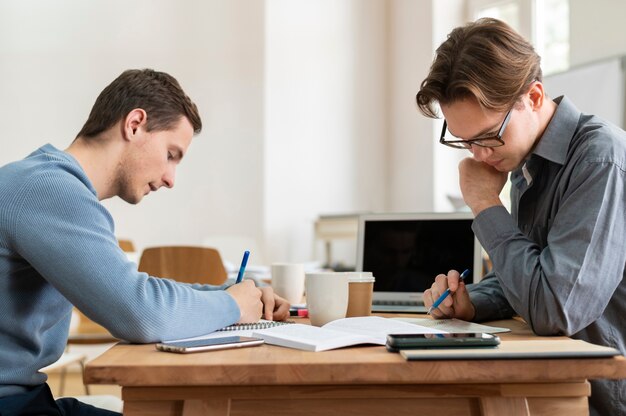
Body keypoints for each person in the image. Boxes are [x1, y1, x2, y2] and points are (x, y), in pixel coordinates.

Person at [0, 69, 290, 415]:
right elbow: (140, 314)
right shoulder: (50, 190)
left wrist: (231, 294)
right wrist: (233, 306)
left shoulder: (44, 183)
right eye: (171, 154)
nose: (170, 179)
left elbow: (136, 291)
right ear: (135, 124)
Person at [415, 18, 625, 416]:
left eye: (488, 136)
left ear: (533, 96)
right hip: (559, 381)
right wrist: (471, 303)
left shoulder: (600, 161)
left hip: (599, 398)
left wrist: (484, 204)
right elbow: (540, 270)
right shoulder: (527, 161)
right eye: (464, 140)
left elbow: (556, 308)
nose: (478, 155)